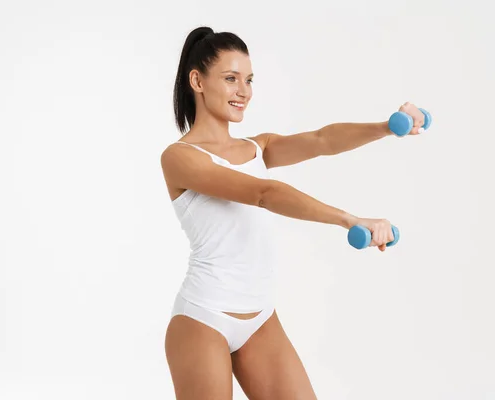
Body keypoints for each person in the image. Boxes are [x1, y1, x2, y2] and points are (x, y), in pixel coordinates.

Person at [160, 26, 426, 400]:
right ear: (197, 81)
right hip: (203, 317)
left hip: (260, 319)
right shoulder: (180, 158)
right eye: (231, 78)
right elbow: (264, 193)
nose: (244, 91)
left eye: (249, 80)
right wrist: (349, 219)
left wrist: (386, 127)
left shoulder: (258, 148)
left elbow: (322, 140)